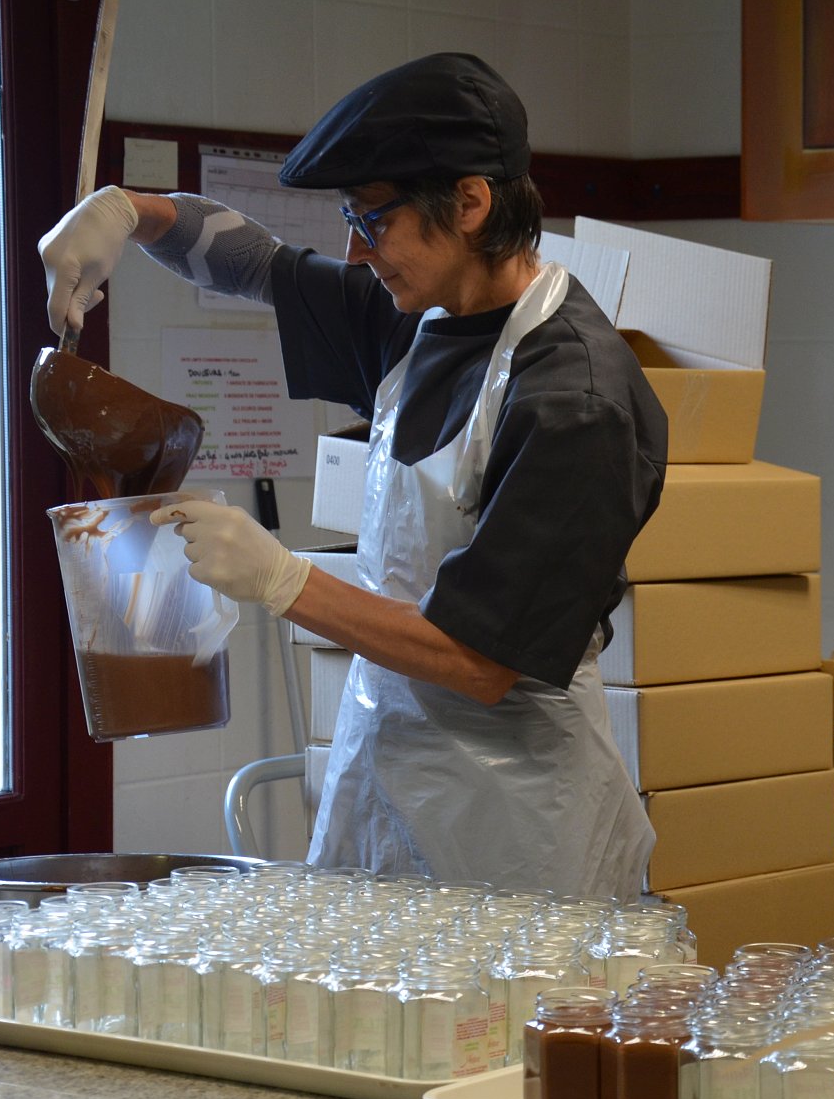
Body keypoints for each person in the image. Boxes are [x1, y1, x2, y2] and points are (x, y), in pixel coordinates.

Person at [38, 53, 663, 900]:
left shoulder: (576, 399)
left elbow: (483, 662)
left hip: (518, 820)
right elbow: (257, 264)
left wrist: (282, 579)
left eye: (372, 220)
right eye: (347, 219)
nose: (354, 251)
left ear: (470, 203)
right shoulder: (420, 318)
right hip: (385, 774)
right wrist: (128, 213)